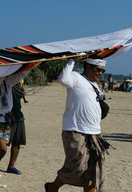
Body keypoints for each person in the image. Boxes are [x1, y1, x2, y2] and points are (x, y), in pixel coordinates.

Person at [45, 58, 108, 192]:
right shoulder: (76, 77)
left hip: (94, 132)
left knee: (92, 171)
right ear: (87, 67)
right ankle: (52, 187)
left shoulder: (95, 85)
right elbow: (63, 79)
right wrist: (72, 60)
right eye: (98, 70)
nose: (101, 73)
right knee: (76, 167)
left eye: (103, 71)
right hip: (75, 130)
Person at [5, 83, 28, 175]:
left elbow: (22, 96)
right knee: (1, 144)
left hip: (19, 117)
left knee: (17, 143)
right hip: (7, 118)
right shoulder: (5, 84)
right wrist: (9, 113)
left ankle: (11, 166)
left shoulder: (19, 86)